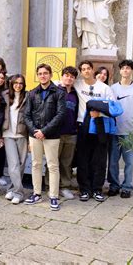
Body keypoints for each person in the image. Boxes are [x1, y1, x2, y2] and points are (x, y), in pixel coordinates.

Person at [24, 63, 65, 211]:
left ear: (50, 75)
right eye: (40, 73)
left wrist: (45, 131)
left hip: (51, 135)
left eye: (45, 73)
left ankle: (53, 196)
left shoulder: (59, 93)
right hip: (35, 135)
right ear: (37, 76)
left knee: (53, 165)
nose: (43, 75)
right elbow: (26, 115)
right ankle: (36, 194)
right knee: (36, 164)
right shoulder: (32, 93)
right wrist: (36, 131)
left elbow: (60, 114)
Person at [74, 60, 115, 202]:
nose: (86, 71)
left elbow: (113, 108)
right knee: (83, 159)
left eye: (88, 68)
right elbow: (62, 82)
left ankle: (97, 189)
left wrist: (100, 114)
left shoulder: (104, 88)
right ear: (81, 72)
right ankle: (84, 189)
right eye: (83, 69)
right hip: (82, 125)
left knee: (99, 159)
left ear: (92, 70)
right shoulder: (77, 84)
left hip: (100, 125)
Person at [108, 60, 133, 198]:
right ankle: (114, 185)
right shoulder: (113, 88)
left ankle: (127, 187)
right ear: (120, 71)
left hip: (130, 132)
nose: (125, 70)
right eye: (123, 68)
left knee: (129, 162)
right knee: (112, 161)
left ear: (131, 71)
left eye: (128, 68)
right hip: (114, 131)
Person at [3, 74, 28, 204]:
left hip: (22, 133)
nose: (18, 85)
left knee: (22, 164)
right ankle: (19, 192)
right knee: (13, 165)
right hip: (8, 134)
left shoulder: (28, 96)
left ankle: (12, 189)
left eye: (20, 83)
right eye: (15, 83)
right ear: (11, 83)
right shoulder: (5, 95)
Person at [54, 67, 79, 200]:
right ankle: (50, 186)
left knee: (66, 163)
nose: (69, 78)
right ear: (62, 76)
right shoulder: (56, 91)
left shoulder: (76, 94)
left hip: (71, 133)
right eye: (66, 76)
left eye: (72, 77)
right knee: (53, 162)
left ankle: (65, 187)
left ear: (74, 79)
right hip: (56, 134)